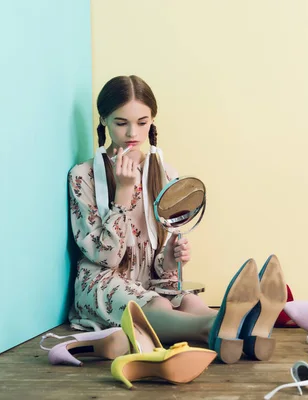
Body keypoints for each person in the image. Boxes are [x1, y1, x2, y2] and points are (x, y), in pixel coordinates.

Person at [68, 75, 217, 344]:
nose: (133, 134)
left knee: (191, 304)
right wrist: (124, 191)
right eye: (121, 123)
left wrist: (173, 257)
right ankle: (217, 327)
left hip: (149, 281)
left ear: (152, 121)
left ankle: (219, 328)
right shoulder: (84, 176)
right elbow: (107, 257)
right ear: (104, 120)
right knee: (157, 306)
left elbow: (163, 268)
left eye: (142, 123)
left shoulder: (165, 174)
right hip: (103, 280)